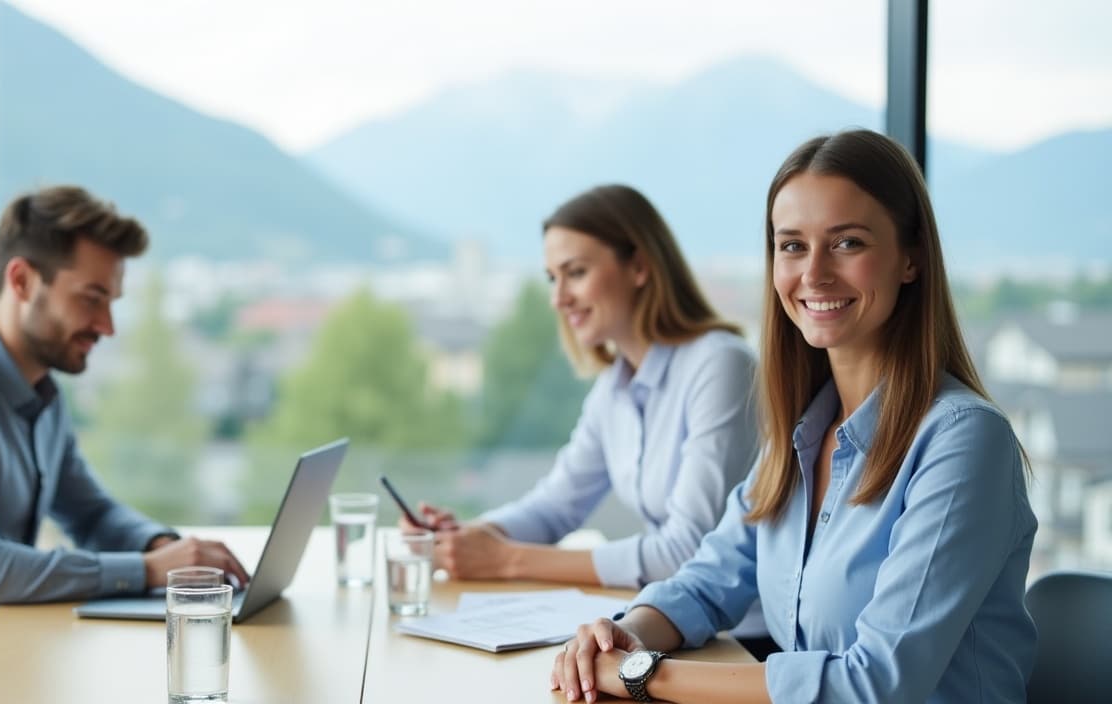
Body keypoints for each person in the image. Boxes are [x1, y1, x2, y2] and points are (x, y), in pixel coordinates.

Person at [551, 129, 1037, 704]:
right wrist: (623, 634)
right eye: (792, 246)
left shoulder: (963, 441)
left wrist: (641, 674)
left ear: (912, 258)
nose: (814, 274)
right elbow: (710, 581)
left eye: (848, 243)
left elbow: (876, 684)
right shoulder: (805, 428)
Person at [0, 186, 250, 703]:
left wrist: (158, 547)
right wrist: (145, 572)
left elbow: (92, 515)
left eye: (111, 302)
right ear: (22, 280)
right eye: (91, 299)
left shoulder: (42, 395)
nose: (107, 326)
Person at [409, 184, 768, 644]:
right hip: (664, 630)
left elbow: (686, 552)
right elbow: (556, 507)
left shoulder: (720, 365)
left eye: (575, 273)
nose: (559, 298)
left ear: (639, 266)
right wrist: (465, 538)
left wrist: (505, 559)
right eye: (552, 279)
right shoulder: (614, 386)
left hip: (736, 640)